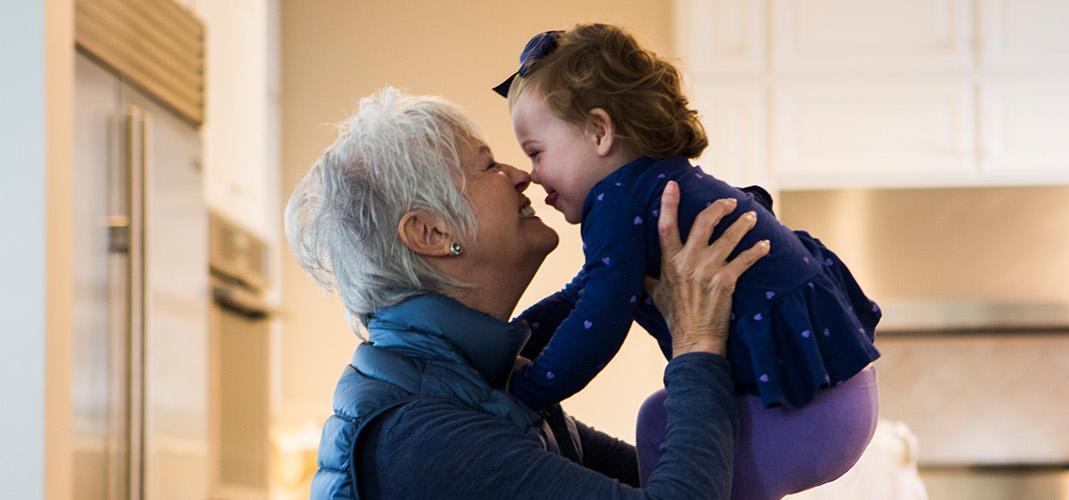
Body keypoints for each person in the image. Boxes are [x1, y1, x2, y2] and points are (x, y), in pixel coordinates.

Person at [285, 87, 769, 499]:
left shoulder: (476, 386)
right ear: (430, 233)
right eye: (488, 165)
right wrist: (698, 340)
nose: (524, 175)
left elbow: (704, 482)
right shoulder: (421, 432)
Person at [495, 24, 882, 499]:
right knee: (661, 415)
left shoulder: (616, 202)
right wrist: (519, 338)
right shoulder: (655, 187)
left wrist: (526, 391)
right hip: (841, 394)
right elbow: (586, 293)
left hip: (810, 410)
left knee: (658, 424)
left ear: (599, 131)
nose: (533, 175)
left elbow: (600, 318)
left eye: (536, 153)